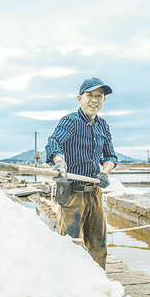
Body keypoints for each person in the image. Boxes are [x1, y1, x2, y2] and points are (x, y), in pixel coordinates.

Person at [45, 77, 118, 270]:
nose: (94, 100)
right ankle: (68, 286)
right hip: (72, 193)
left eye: (99, 96)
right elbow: (53, 143)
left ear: (104, 100)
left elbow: (111, 156)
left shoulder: (103, 126)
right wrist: (59, 163)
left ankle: (98, 286)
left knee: (98, 245)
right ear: (80, 98)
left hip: (94, 192)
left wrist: (105, 172)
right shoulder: (70, 121)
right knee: (69, 245)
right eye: (90, 95)